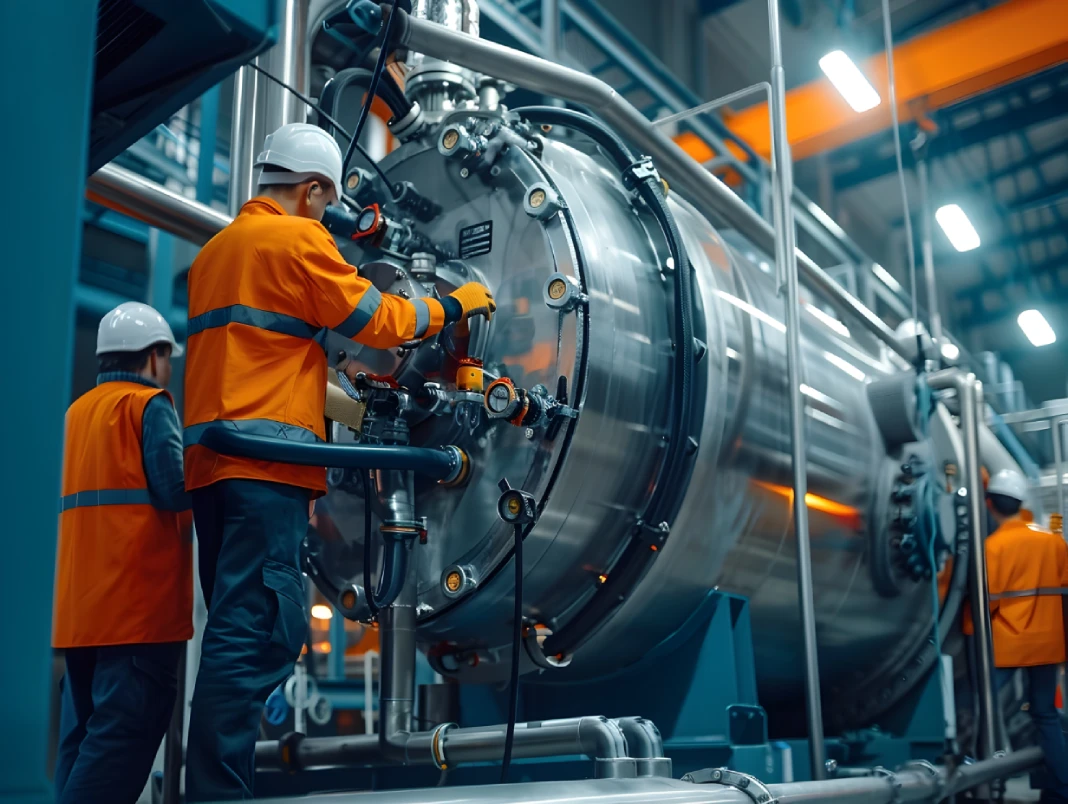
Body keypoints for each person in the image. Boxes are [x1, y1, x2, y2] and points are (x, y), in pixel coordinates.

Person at [182, 122, 495, 801]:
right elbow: (381, 321)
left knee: (235, 630)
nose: (327, 217)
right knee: (257, 633)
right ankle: (214, 793)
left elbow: (263, 359)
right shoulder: (296, 239)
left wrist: (349, 412)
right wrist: (451, 306)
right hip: (265, 469)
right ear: (313, 190)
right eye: (326, 203)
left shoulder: (216, 251)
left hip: (214, 468)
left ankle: (213, 784)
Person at [53, 302, 192, 803]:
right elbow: (174, 488)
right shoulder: (148, 405)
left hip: (79, 615)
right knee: (119, 743)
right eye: (167, 356)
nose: (168, 367)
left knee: (82, 742)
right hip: (135, 611)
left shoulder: (76, 413)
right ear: (154, 355)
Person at [977, 469, 1068, 802]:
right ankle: (1062, 788)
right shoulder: (1053, 542)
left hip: (1009, 645)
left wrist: (969, 633)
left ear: (989, 504)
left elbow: (985, 602)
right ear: (1021, 503)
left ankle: (975, 780)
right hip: (1048, 644)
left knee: (982, 710)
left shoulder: (993, 547)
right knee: (1045, 714)